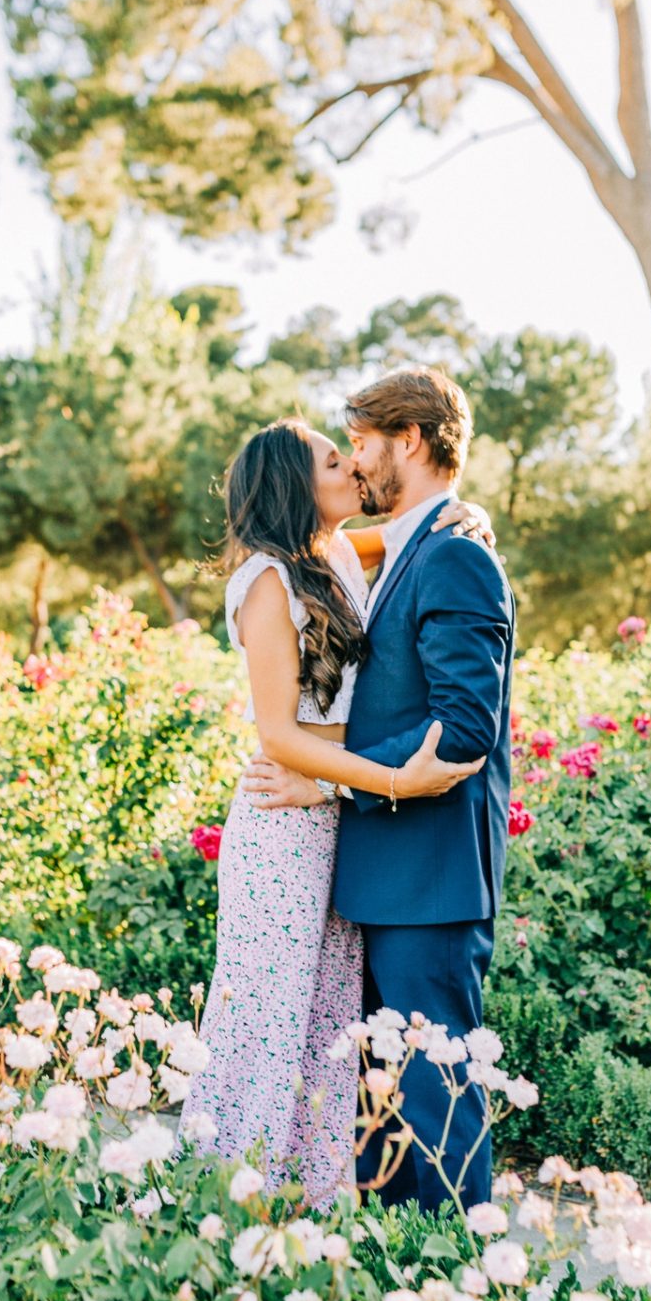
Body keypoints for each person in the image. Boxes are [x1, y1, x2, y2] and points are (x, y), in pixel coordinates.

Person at [177, 414, 487, 1210]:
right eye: (330, 459)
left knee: (324, 1027)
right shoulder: (267, 584)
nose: (351, 464)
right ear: (294, 485)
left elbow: (413, 535)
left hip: (334, 824)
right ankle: (223, 1202)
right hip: (284, 830)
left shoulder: (340, 554)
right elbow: (277, 732)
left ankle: (305, 1210)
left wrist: (468, 513)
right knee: (265, 1020)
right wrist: (390, 782)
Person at [242, 366, 516, 1214]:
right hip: (386, 875)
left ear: (410, 442)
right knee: (385, 1097)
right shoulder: (411, 547)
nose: (355, 461)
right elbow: (320, 555)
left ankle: (460, 1283)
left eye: (361, 442)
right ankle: (398, 1279)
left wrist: (333, 788)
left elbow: (465, 727)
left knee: (433, 1091)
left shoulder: (456, 557)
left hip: (430, 878)